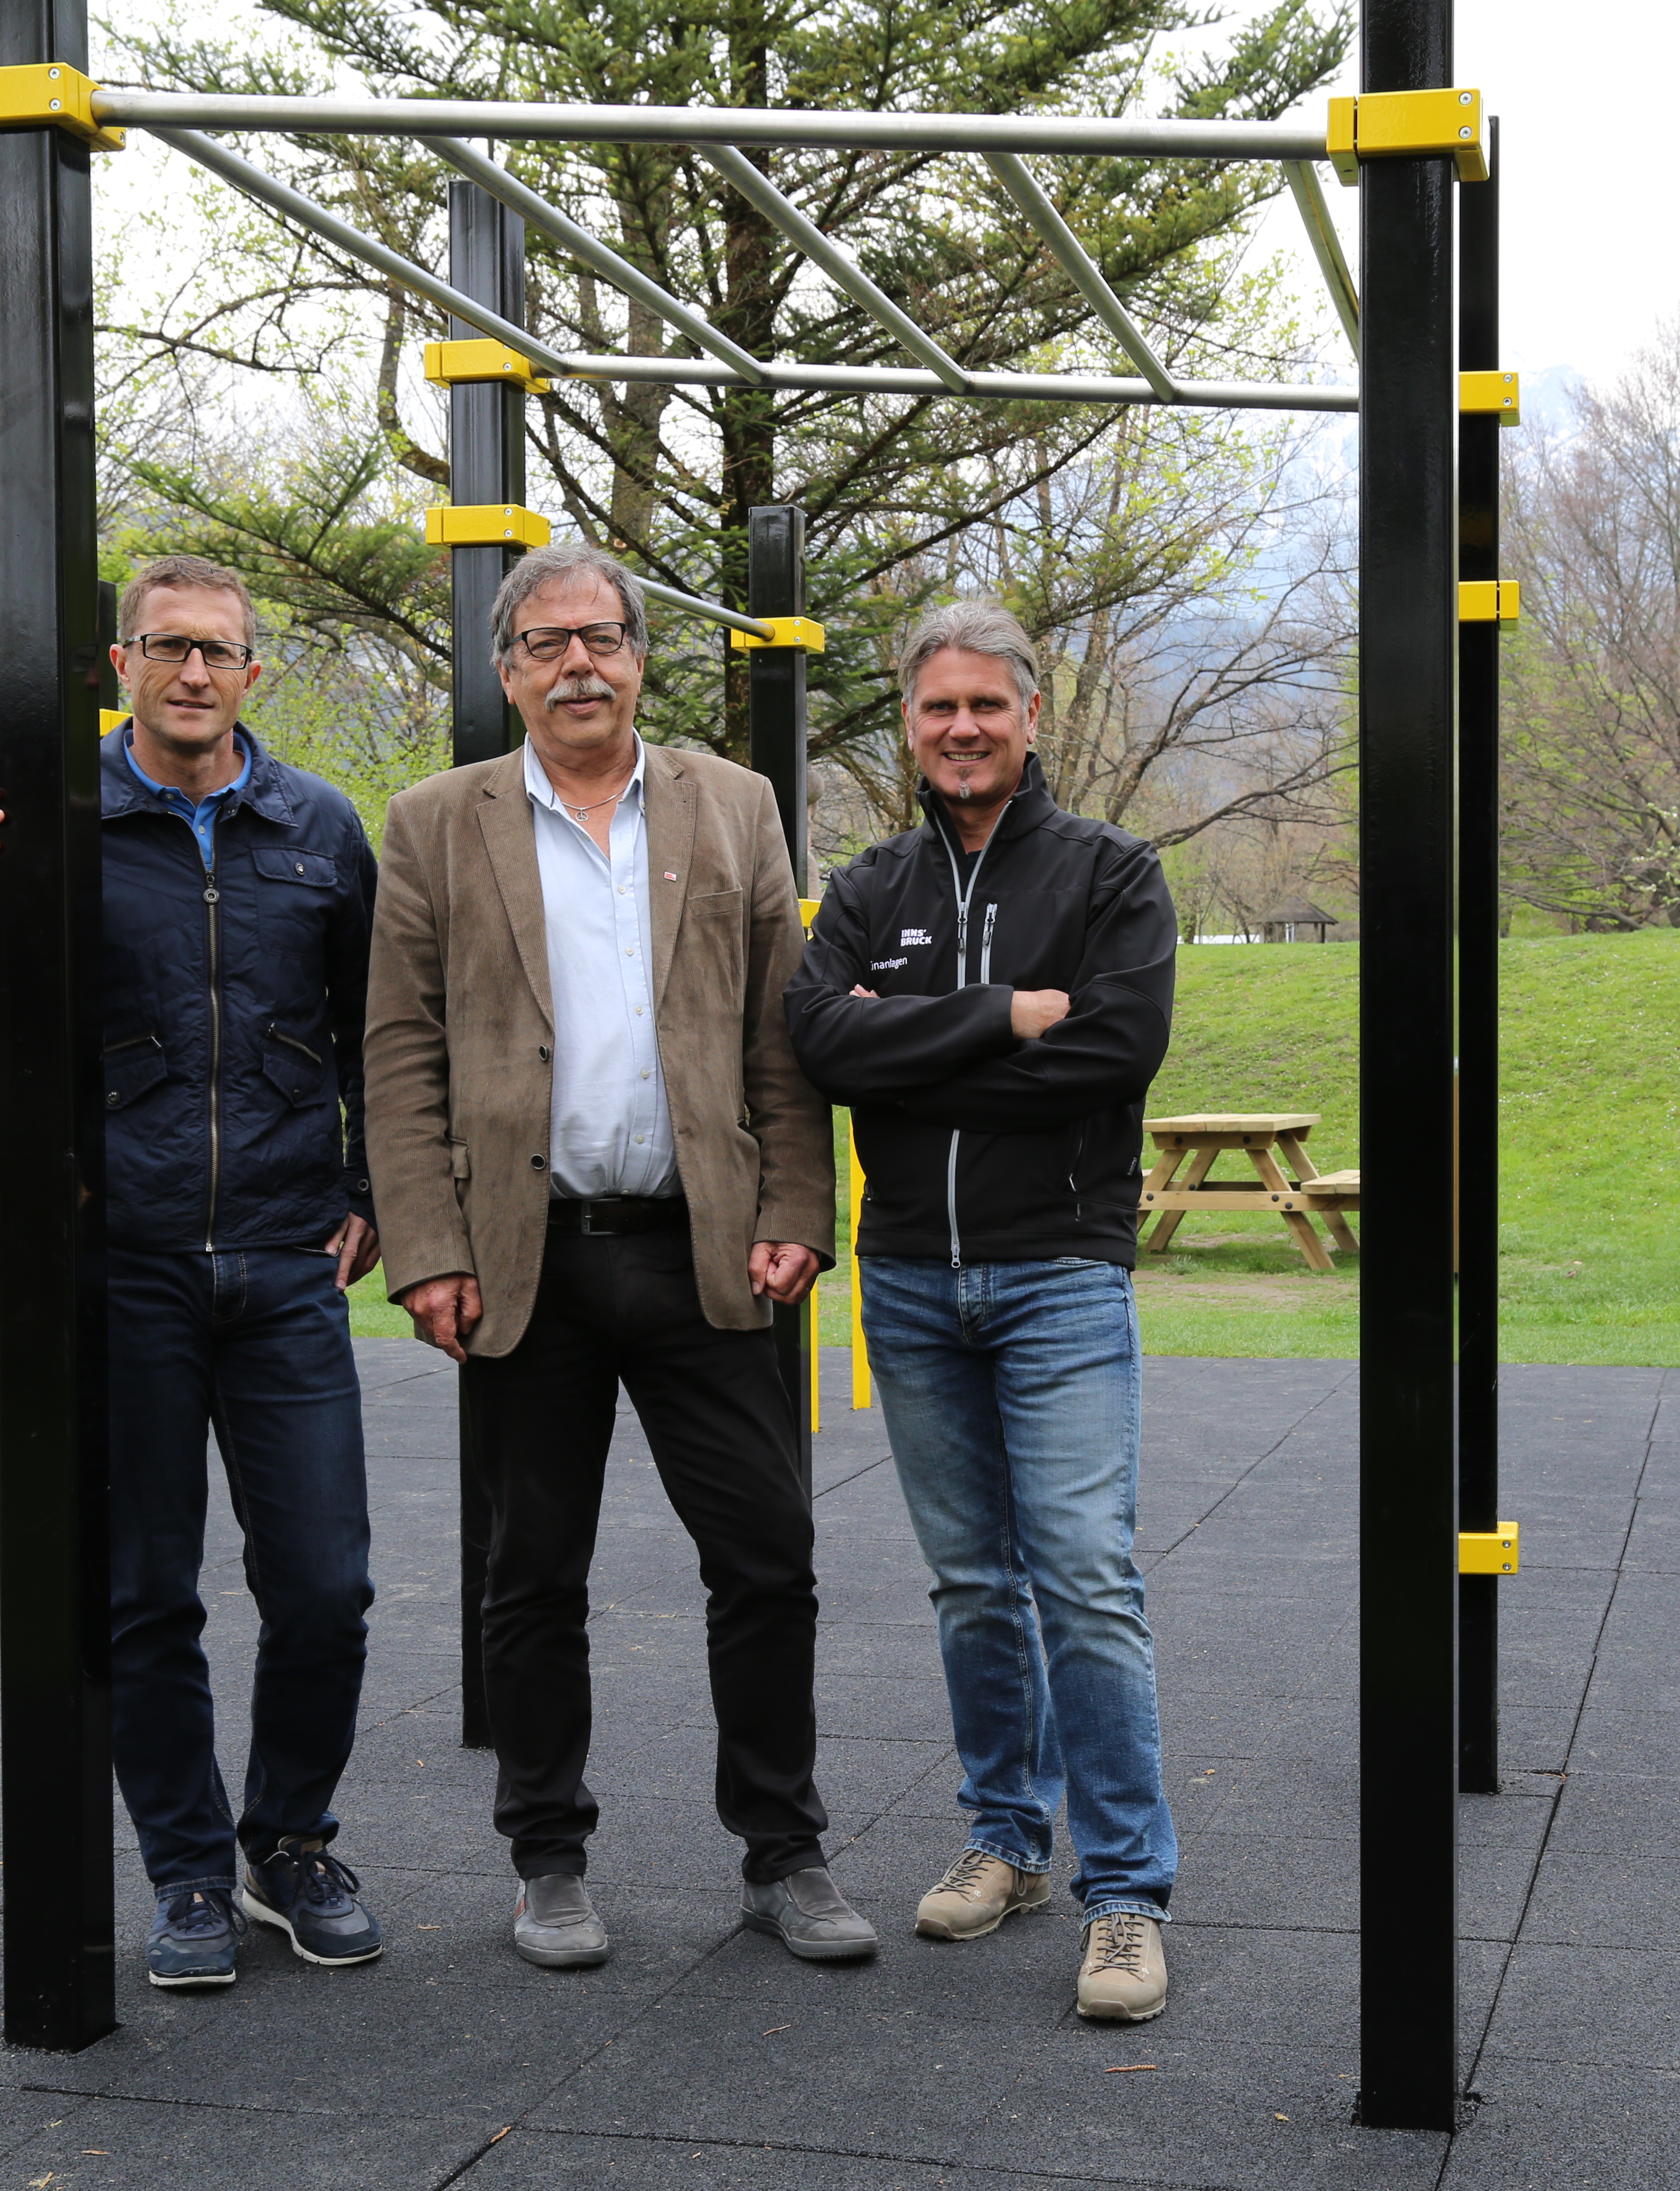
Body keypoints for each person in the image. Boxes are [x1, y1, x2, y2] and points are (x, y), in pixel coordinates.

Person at [361, 540, 866, 1968]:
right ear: (507, 672)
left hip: (709, 1252)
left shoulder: (738, 806)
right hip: (526, 1263)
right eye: (543, 642)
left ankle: (785, 1851)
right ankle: (548, 1858)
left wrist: (792, 1209)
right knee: (533, 1579)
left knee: (767, 1561)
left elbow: (786, 1025)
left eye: (601, 637)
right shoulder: (433, 823)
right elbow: (398, 1053)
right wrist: (426, 1249)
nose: (576, 663)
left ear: (642, 656)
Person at [0, 552, 387, 1992]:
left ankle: (286, 1840)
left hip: (283, 1259)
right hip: (123, 1263)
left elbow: (379, 1029)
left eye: (220, 651)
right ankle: (187, 1869)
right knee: (145, 1590)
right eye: (167, 648)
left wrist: (369, 1188)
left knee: (324, 1584)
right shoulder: (52, 822)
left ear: (256, 672)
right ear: (122, 664)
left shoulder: (320, 828)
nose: (194, 672)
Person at [782, 599, 1182, 2023]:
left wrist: (913, 1060)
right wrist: (1005, 1014)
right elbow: (819, 1040)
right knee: (970, 1584)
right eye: (939, 707)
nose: (963, 729)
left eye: (988, 708)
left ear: (1031, 719)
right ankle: (1009, 1840)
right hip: (909, 1277)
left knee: (1082, 1574)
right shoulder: (869, 886)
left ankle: (1126, 1894)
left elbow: (1116, 1052)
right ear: (910, 723)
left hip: (1060, 1270)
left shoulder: (1111, 873)